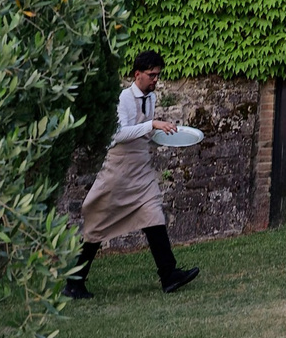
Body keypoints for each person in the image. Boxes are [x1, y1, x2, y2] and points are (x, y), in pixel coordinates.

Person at [65, 50, 201, 299]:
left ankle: (169, 275)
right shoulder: (124, 99)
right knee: (96, 226)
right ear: (137, 74)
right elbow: (118, 134)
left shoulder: (152, 97)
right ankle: (74, 283)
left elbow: (143, 134)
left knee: (154, 215)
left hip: (141, 170)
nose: (156, 80)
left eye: (158, 75)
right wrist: (152, 124)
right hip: (118, 172)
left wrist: (162, 135)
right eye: (151, 75)